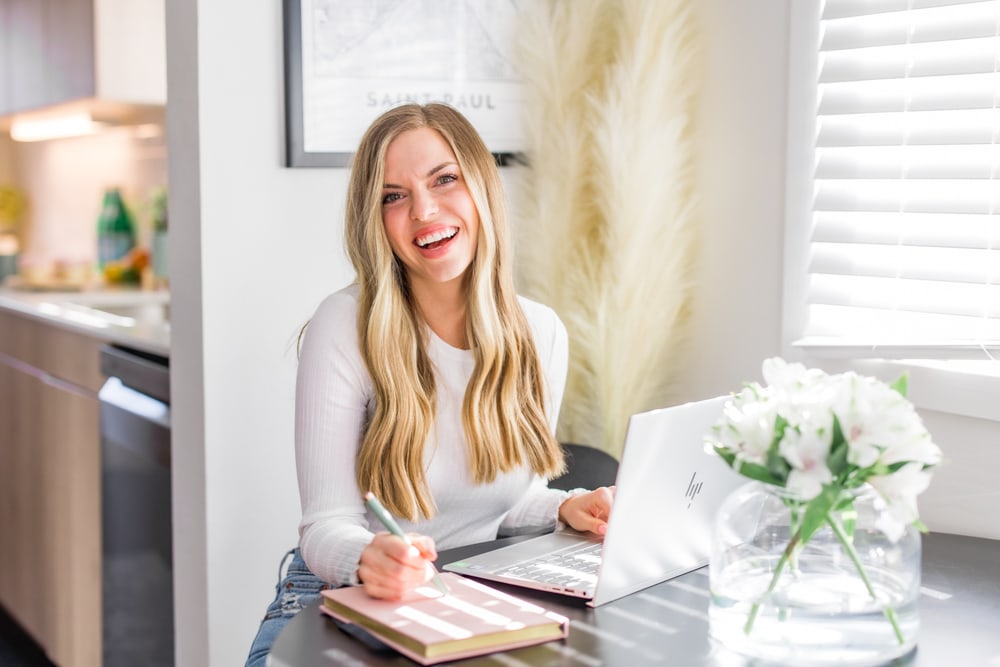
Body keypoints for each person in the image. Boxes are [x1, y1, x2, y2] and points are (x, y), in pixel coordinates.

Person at [245, 103, 614, 666]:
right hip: (336, 599)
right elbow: (324, 527)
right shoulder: (345, 326)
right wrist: (371, 557)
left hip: (465, 597)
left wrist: (566, 508)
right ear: (376, 220)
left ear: (482, 189)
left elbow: (503, 503)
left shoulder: (542, 333)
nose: (423, 210)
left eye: (444, 179)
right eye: (393, 196)